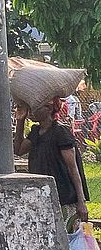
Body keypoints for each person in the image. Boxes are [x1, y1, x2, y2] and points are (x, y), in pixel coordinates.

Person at [18, 95, 91, 230]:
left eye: (36, 107)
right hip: (43, 194)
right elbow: (19, 149)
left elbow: (73, 168)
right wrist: (20, 120)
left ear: (49, 108)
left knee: (65, 238)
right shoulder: (35, 132)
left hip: (64, 197)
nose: (32, 111)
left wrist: (81, 201)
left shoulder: (60, 132)